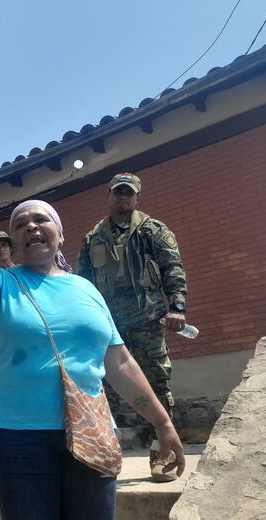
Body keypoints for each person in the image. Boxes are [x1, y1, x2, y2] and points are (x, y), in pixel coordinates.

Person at [0, 199, 184, 520]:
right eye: (20, 224)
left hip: (91, 435)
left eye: (41, 219)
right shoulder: (4, 281)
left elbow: (120, 362)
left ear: (60, 235)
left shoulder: (88, 291)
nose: (31, 227)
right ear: (13, 241)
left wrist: (162, 424)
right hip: (16, 442)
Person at [77, 173, 188, 482]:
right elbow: (82, 283)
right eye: (118, 192)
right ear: (108, 195)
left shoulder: (153, 230)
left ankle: (161, 451)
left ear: (137, 198)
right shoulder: (92, 238)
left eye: (129, 193)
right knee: (102, 388)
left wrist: (177, 306)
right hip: (108, 325)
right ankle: (102, 453)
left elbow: (173, 268)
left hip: (146, 320)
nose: (123, 197)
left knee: (156, 382)